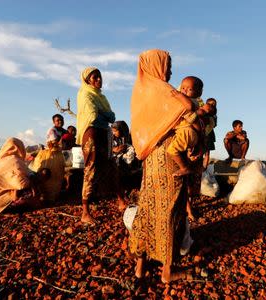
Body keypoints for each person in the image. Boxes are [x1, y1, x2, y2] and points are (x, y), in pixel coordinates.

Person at [129, 49, 194, 283]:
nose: (170, 71)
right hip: (167, 156)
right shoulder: (162, 89)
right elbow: (187, 105)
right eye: (167, 65)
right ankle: (167, 270)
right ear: (157, 65)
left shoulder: (141, 92)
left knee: (147, 206)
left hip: (151, 158)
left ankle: (140, 267)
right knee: (170, 208)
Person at [76, 67, 126, 224]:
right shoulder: (85, 94)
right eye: (94, 77)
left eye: (99, 76)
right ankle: (85, 211)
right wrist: (103, 115)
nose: (98, 79)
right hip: (92, 135)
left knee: (112, 166)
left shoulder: (101, 97)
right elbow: (92, 117)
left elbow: (112, 116)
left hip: (105, 134)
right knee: (90, 169)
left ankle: (120, 200)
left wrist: (102, 114)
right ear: (87, 80)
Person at [0, 138, 47, 219]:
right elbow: (21, 184)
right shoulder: (14, 160)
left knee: (27, 182)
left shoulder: (0, 161)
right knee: (28, 190)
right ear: (21, 148)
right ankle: (14, 207)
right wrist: (34, 184)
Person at [166, 76, 213, 177]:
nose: (185, 91)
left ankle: (184, 168)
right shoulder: (189, 100)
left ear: (198, 93)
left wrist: (179, 95)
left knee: (172, 150)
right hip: (186, 132)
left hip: (187, 131)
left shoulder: (192, 101)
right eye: (183, 88)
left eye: (189, 89)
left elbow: (189, 106)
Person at [203, 98, 218, 169]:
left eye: (213, 104)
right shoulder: (203, 110)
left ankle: (204, 168)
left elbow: (215, 125)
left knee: (207, 153)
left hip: (209, 133)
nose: (212, 105)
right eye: (210, 104)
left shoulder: (214, 115)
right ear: (206, 104)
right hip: (202, 131)